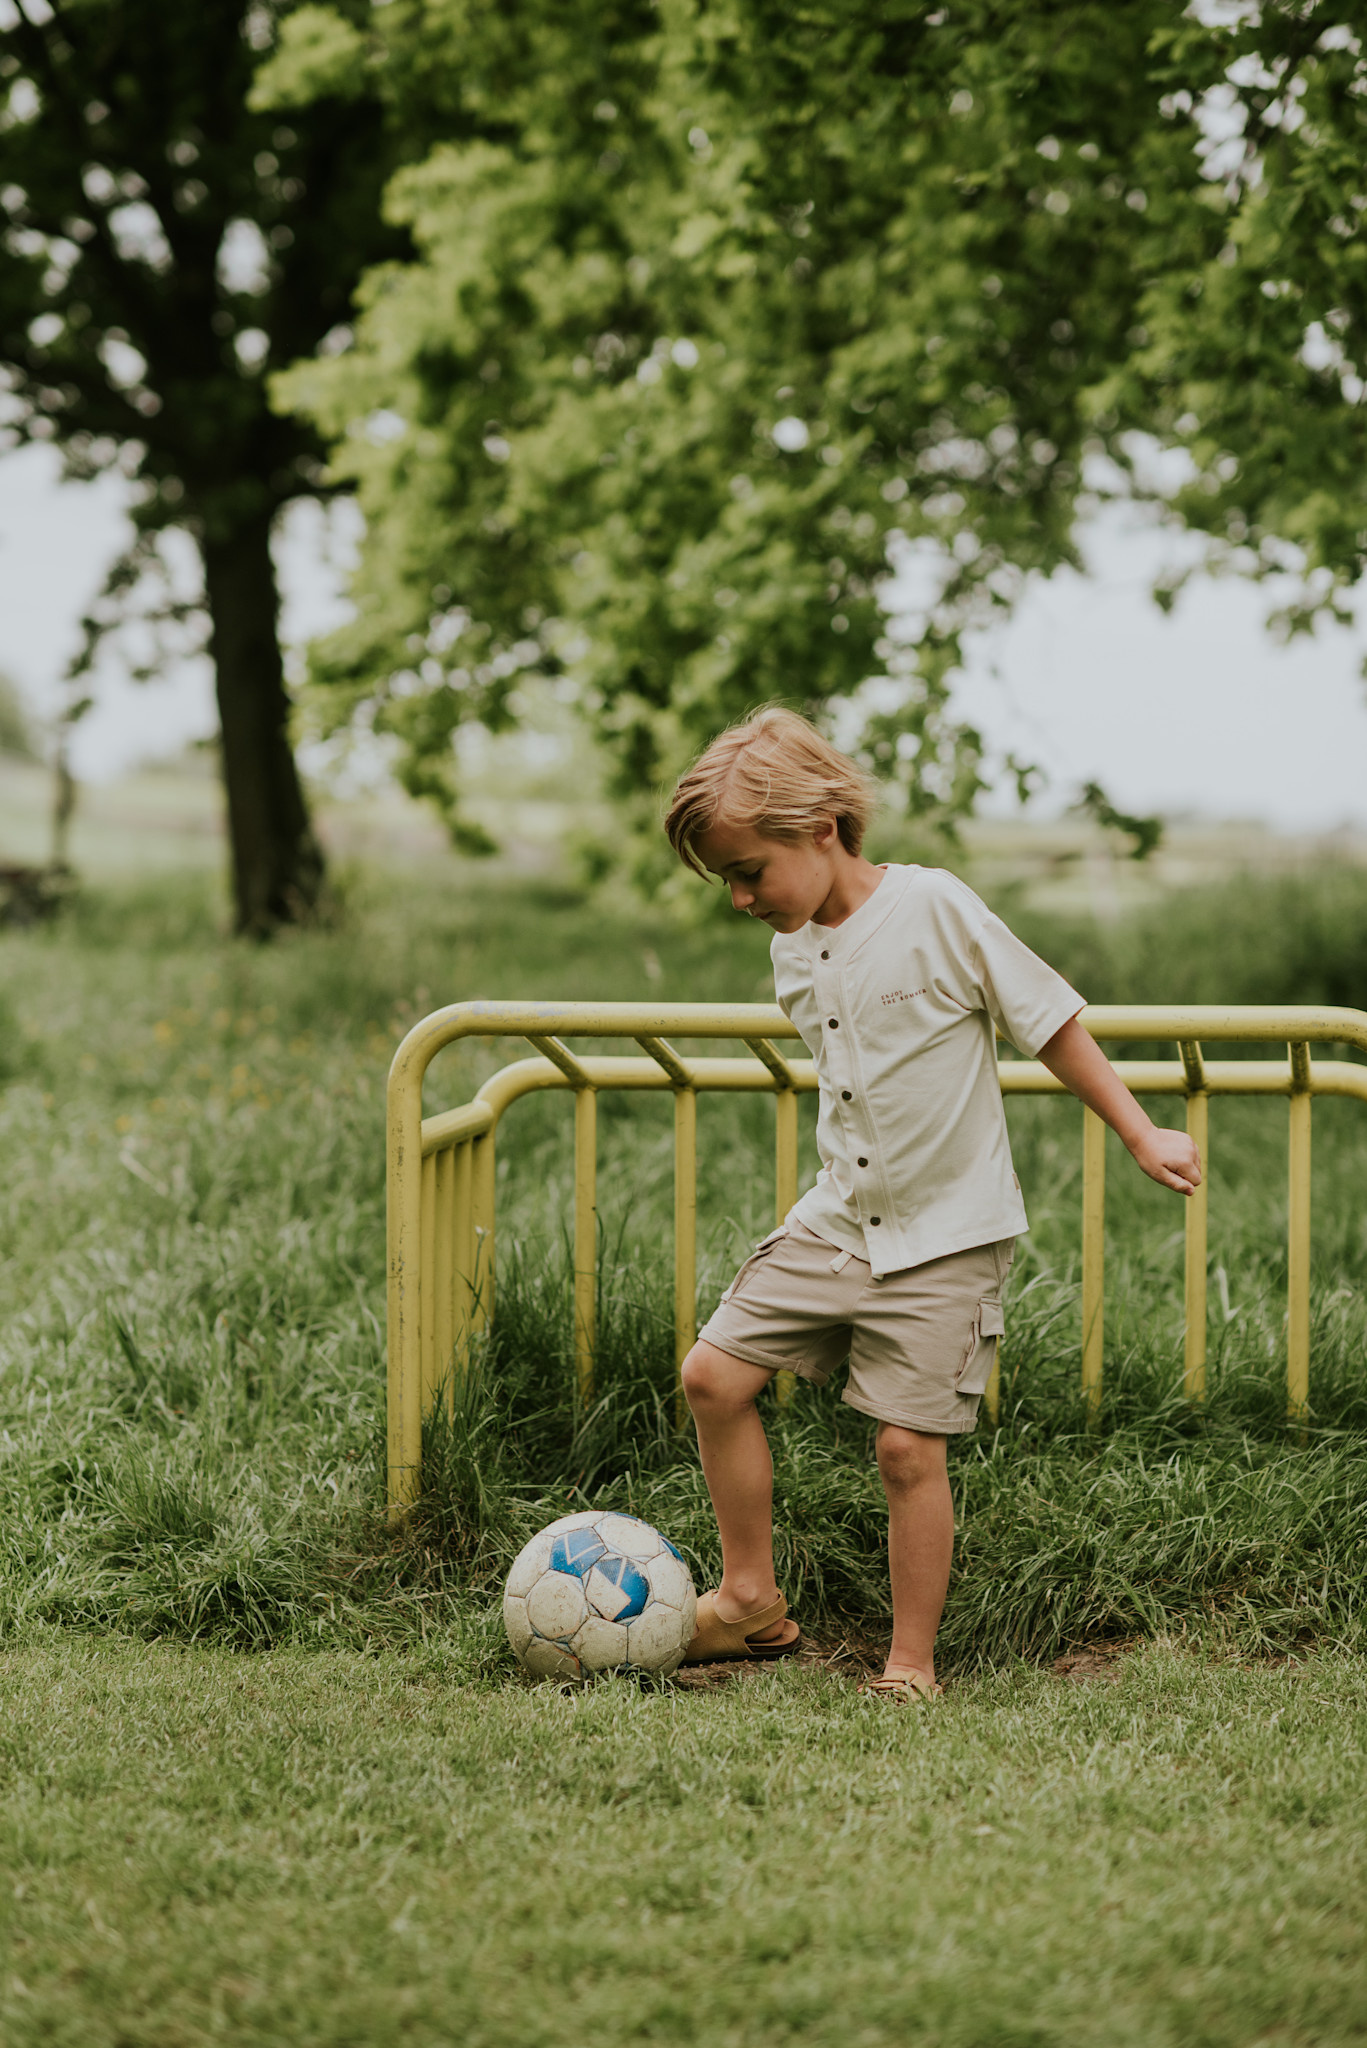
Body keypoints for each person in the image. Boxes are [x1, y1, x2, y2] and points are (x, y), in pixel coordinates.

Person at [664, 707, 1201, 1700]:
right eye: (727, 879)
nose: (739, 897)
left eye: (748, 871)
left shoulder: (934, 908)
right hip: (837, 1221)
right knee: (711, 1375)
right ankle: (748, 1598)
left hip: (948, 1238)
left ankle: (909, 1663)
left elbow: (1047, 1019)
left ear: (820, 828)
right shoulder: (792, 950)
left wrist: (1139, 1131)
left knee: (907, 1450)